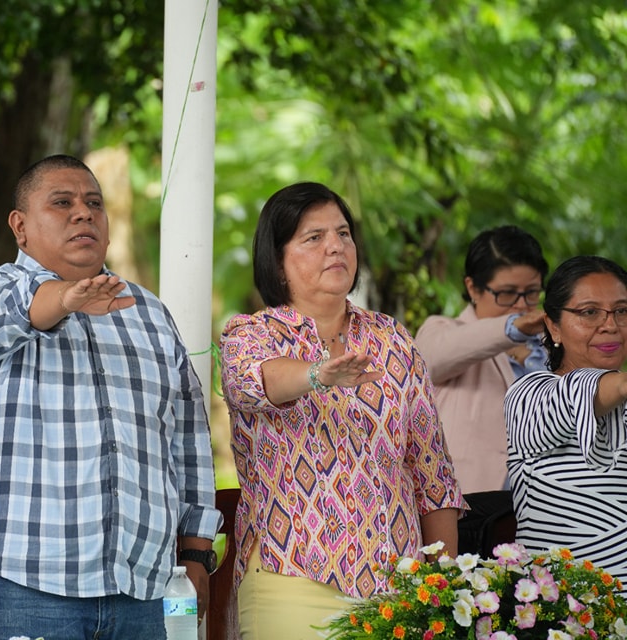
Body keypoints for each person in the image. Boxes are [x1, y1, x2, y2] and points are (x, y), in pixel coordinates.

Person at [0, 154, 221, 640]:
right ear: (20, 226)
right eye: (62, 203)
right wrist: (67, 297)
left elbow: (188, 440)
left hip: (146, 587)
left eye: (94, 203)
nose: (83, 213)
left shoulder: (150, 314)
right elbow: (22, 312)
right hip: (24, 584)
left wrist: (197, 553)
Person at [219, 181, 465, 640]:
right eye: (314, 238)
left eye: (344, 234)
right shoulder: (250, 335)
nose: (335, 246)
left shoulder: (393, 340)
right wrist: (317, 374)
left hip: (398, 583)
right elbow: (252, 384)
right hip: (290, 574)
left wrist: (441, 584)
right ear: (277, 260)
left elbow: (432, 475)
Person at [505, 255, 627, 583]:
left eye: (622, 311)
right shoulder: (528, 395)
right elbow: (576, 396)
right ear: (553, 325)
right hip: (560, 614)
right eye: (589, 312)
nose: (611, 325)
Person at [416, 225, 549, 493]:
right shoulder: (443, 330)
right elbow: (432, 358)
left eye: (532, 292)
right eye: (507, 293)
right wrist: (515, 327)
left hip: (544, 504)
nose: (521, 305)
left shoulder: (549, 345)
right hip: (470, 503)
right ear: (473, 288)